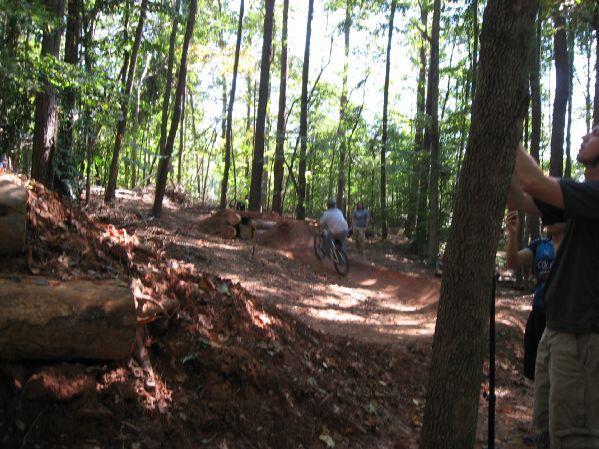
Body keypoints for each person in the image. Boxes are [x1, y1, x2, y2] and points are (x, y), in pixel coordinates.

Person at [507, 125, 599, 449]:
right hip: (561, 330)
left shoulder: (596, 196)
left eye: (596, 133)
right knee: (555, 431)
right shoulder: (580, 202)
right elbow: (519, 197)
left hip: (583, 337)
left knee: (576, 436)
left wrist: (505, 129)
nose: (585, 136)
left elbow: (534, 182)